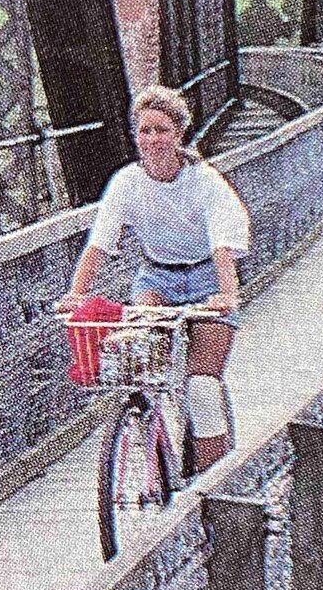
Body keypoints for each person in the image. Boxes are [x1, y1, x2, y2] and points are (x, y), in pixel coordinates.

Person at [59, 83, 248, 473]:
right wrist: (77, 293)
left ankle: (216, 486)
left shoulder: (204, 181)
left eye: (161, 130)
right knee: (141, 361)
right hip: (157, 277)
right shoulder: (127, 182)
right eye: (145, 131)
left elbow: (222, 243)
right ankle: (152, 448)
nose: (153, 139)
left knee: (201, 387)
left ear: (179, 134)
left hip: (207, 277)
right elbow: (100, 242)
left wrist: (227, 294)